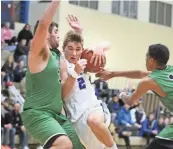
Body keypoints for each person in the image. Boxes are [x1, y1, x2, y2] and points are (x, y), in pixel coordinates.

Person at [21, 1, 103, 149]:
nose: (58, 35)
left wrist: (80, 33)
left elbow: (74, 53)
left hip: (58, 116)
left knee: (80, 147)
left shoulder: (58, 56)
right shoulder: (39, 53)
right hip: (38, 113)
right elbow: (44, 24)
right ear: (46, 35)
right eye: (56, 32)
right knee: (64, 144)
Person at [96, 44, 173, 149]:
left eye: (147, 56)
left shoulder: (150, 81)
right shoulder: (169, 70)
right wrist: (113, 73)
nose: (145, 58)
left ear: (151, 60)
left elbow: (130, 101)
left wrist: (122, 94)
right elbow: (140, 73)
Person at [60, 30, 118, 149]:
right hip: (76, 118)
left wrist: (99, 47)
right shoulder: (63, 64)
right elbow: (64, 95)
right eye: (70, 48)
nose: (74, 53)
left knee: (94, 121)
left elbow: (108, 44)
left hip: (93, 107)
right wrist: (75, 73)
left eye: (77, 49)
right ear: (63, 48)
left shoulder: (82, 59)